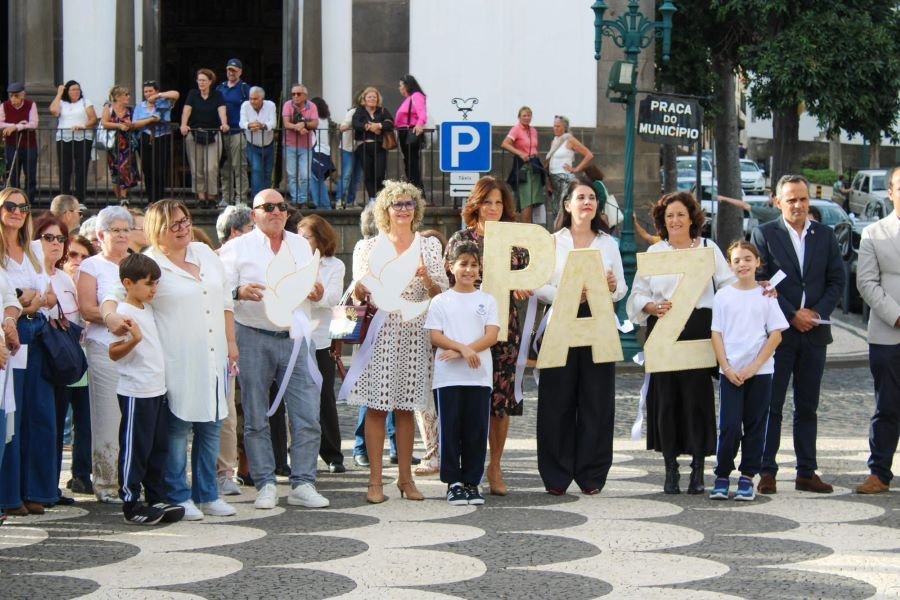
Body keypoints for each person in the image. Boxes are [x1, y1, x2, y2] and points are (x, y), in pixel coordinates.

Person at [102, 199, 238, 521]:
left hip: (214, 354)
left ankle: (208, 493)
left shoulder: (204, 253)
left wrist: (231, 342)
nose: (183, 228)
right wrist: (111, 318)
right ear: (157, 229)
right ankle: (179, 494)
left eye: (185, 220)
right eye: (174, 224)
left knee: (212, 424)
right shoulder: (149, 262)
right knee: (177, 428)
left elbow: (225, 300)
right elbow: (114, 295)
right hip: (176, 358)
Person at [220, 189, 330, 511]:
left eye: (282, 206)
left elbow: (316, 288)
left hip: (296, 335)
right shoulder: (236, 248)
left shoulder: (300, 244)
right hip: (253, 334)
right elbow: (220, 290)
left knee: (307, 413)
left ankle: (304, 482)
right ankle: (265, 483)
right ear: (254, 214)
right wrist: (239, 291)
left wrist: (317, 291)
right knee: (255, 414)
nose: (277, 212)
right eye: (268, 207)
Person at [627, 191, 736, 495]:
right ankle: (670, 469)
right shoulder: (655, 252)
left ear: (692, 219)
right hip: (663, 332)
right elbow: (637, 295)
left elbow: (729, 286)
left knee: (696, 401)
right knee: (667, 402)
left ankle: (698, 469)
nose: (675, 220)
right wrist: (651, 307)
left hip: (698, 332)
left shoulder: (708, 248)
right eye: (669, 216)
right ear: (662, 221)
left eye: (680, 215)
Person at [348, 180, 448, 503]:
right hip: (380, 333)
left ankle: (406, 479)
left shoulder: (429, 246)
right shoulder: (367, 247)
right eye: (397, 204)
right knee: (377, 407)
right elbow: (356, 294)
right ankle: (375, 482)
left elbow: (441, 295)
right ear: (385, 210)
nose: (404, 209)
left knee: (407, 407)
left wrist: (427, 279)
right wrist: (362, 287)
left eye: (409, 203)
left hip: (415, 332)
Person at [751, 174, 844, 495]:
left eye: (803, 199)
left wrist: (816, 313)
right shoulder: (765, 234)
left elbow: (837, 280)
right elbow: (762, 280)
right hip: (780, 335)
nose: (798, 205)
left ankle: (806, 471)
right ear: (778, 202)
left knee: (807, 407)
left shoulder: (825, 235)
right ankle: (767, 471)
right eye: (791, 199)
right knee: (771, 405)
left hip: (815, 334)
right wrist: (793, 314)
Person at [534, 180, 626, 495]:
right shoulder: (552, 242)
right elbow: (539, 285)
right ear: (567, 204)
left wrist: (611, 287)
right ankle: (556, 475)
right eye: (581, 197)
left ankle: (592, 474)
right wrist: (570, 293)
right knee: (556, 399)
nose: (587, 202)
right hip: (561, 318)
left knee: (597, 400)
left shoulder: (608, 244)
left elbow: (621, 288)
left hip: (598, 322)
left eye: (592, 198)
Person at [445, 176, 529, 495]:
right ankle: (465, 468)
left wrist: (522, 287)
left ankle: (495, 466)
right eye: (487, 202)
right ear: (476, 205)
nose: (493, 208)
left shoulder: (516, 243)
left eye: (498, 203)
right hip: (465, 329)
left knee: (500, 401)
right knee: (465, 397)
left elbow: (527, 278)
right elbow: (449, 283)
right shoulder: (460, 239)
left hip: (504, 328)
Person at [108, 253, 185, 525]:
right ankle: (131, 502)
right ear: (128, 283)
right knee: (135, 447)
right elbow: (113, 352)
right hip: (136, 390)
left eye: (156, 283)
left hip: (156, 389)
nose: (154, 289)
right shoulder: (124, 313)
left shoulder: (147, 308)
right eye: (148, 283)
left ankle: (155, 496)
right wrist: (134, 340)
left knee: (157, 446)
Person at [709, 241, 788, 501]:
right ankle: (722, 474)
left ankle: (747, 476)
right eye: (736, 260)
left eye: (747, 259)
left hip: (760, 373)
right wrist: (726, 367)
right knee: (730, 425)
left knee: (756, 425)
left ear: (757, 262)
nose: (742, 264)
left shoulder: (766, 295)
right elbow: (716, 333)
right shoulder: (723, 296)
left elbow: (775, 334)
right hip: (731, 372)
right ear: (730, 266)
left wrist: (755, 367)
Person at [426, 241, 500, 505]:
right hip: (448, 377)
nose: (469, 270)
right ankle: (453, 482)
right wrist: (462, 349)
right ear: (451, 267)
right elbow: (435, 336)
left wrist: (464, 352)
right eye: (463, 264)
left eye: (474, 265)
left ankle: (471, 481)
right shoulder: (440, 301)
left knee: (476, 431)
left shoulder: (487, 300)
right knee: (450, 429)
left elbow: (491, 335)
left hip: (478, 377)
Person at [0, 188, 57, 516]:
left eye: (23, 207)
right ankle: (10, 494)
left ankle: (35, 490)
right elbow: (11, 298)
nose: (17, 212)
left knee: (40, 413)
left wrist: (34, 300)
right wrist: (25, 302)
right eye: (10, 206)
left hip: (38, 334)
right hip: (12, 335)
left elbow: (47, 295)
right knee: (13, 414)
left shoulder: (33, 250)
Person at [77, 206, 133, 503]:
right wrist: (116, 318)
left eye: (126, 230)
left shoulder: (137, 263)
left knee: (136, 416)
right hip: (104, 346)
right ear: (100, 235)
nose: (122, 235)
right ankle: (106, 482)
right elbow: (87, 309)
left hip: (137, 347)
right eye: (115, 230)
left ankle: (132, 477)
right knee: (108, 416)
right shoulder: (92, 266)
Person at [854, 165, 900, 495]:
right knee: (887, 406)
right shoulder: (874, 233)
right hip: (888, 333)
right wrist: (897, 316)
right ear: (891, 192)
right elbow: (866, 282)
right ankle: (879, 472)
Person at [32, 214, 84, 506]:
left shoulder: (64, 278)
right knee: (40, 423)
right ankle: (37, 487)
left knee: (56, 421)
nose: (55, 243)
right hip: (38, 355)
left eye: (60, 238)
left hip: (62, 357)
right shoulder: (32, 273)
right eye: (48, 237)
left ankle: (51, 485)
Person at [298, 214, 345, 473]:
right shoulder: (292, 262)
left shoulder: (334, 265)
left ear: (319, 238)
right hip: (294, 336)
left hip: (320, 338)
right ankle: (296, 453)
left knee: (324, 395)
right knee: (295, 397)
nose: (301, 241)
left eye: (306, 237)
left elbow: (334, 298)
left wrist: (318, 296)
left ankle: (332, 454)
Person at [60, 233, 95, 496]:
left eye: (84, 256)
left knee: (85, 419)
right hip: (59, 360)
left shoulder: (92, 285)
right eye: (73, 254)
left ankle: (82, 474)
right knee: (58, 418)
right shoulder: (55, 283)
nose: (78, 260)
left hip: (86, 358)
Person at [180, 68, 228, 205]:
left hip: (213, 134)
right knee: (197, 168)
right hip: (195, 133)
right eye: (199, 80)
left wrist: (224, 123)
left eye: (203, 80)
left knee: (211, 168)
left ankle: (211, 197)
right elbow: (186, 110)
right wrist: (184, 125)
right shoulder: (193, 94)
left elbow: (222, 111)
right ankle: (201, 198)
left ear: (210, 82)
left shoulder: (217, 95)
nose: (200, 83)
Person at [50, 80, 97, 204]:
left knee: (81, 170)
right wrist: (59, 93)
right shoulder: (61, 103)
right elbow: (54, 111)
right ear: (67, 91)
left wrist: (83, 126)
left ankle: (80, 200)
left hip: (83, 139)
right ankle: (64, 200)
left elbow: (93, 119)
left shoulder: (86, 102)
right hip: (64, 138)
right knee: (65, 170)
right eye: (73, 89)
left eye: (78, 89)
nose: (76, 92)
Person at [133, 81, 179, 203]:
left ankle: (160, 200)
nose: (148, 94)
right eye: (146, 91)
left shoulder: (164, 102)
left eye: (150, 91)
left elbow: (176, 94)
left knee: (160, 170)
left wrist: (158, 96)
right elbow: (135, 124)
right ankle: (151, 200)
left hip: (162, 137)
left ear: (156, 91)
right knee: (147, 170)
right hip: (145, 137)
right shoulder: (140, 106)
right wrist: (151, 120)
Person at [545, 116, 594, 229]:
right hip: (554, 179)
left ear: (564, 127)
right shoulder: (555, 140)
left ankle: (564, 232)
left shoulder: (569, 139)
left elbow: (589, 155)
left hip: (565, 179)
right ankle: (558, 233)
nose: (556, 128)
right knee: (555, 210)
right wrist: (548, 182)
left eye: (558, 126)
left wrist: (576, 169)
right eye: (554, 126)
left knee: (563, 209)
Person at [102, 85, 146, 203]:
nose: (128, 97)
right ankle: (119, 199)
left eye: (128, 94)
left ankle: (124, 198)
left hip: (127, 145)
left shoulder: (131, 110)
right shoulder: (109, 108)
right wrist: (119, 125)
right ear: (117, 97)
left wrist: (130, 125)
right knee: (115, 173)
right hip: (113, 145)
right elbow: (104, 123)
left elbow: (135, 124)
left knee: (125, 170)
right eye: (126, 95)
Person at [501, 106, 544, 224]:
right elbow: (505, 144)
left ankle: (528, 226)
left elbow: (534, 148)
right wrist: (520, 153)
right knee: (526, 200)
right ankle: (525, 227)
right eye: (524, 115)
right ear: (519, 117)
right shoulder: (516, 129)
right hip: (524, 166)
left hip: (535, 165)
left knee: (534, 200)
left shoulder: (533, 131)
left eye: (529, 115)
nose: (527, 118)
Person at [216, 59, 251, 207]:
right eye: (229, 70)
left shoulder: (245, 88)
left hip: (237, 132)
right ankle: (226, 198)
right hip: (221, 133)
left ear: (240, 72)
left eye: (234, 70)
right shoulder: (220, 88)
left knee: (239, 167)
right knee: (225, 168)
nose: (231, 72)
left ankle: (241, 200)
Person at [353, 87, 394, 203]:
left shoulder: (383, 111)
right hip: (364, 147)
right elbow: (356, 124)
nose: (372, 99)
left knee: (380, 174)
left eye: (374, 97)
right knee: (368, 174)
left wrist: (379, 126)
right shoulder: (359, 111)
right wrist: (369, 127)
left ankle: (380, 198)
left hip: (380, 147)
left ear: (378, 99)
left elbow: (390, 123)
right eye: (369, 97)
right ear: (364, 99)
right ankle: (372, 199)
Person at [282, 84, 319, 208]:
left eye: (298, 94)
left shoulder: (312, 106)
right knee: (292, 174)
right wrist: (298, 127)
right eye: (293, 94)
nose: (295, 96)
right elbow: (286, 123)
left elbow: (315, 123)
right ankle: (296, 199)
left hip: (306, 146)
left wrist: (304, 124)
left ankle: (303, 199)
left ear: (305, 96)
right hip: (289, 144)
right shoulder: (287, 105)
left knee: (305, 175)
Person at [1, 83, 39, 201]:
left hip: (29, 145)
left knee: (30, 175)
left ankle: (28, 202)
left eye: (16, 96)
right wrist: (16, 125)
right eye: (11, 96)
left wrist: (17, 127)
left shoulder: (31, 105)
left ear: (23, 95)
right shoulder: (4, 106)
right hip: (11, 145)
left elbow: (34, 124)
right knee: (13, 174)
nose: (13, 99)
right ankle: (15, 201)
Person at [240, 86, 277, 200]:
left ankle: (267, 198)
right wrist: (250, 125)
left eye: (255, 99)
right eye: (250, 98)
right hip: (252, 145)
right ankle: (257, 199)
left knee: (267, 172)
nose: (252, 101)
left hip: (269, 145)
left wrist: (262, 126)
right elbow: (242, 123)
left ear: (262, 98)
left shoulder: (270, 105)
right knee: (257, 170)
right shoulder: (245, 105)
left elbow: (273, 123)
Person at [395, 75, 427, 192]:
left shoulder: (416, 96)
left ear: (407, 85)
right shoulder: (409, 98)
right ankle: (414, 189)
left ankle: (417, 190)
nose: (399, 88)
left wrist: (419, 124)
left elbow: (422, 113)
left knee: (412, 163)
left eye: (401, 85)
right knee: (409, 163)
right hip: (404, 132)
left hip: (410, 132)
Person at [337, 91, 364, 208]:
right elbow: (345, 124)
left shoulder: (368, 113)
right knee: (346, 175)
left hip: (361, 147)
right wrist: (346, 126)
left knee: (357, 176)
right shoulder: (353, 112)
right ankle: (339, 200)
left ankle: (351, 200)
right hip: (348, 147)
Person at [309, 96, 333, 209]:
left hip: (316, 151)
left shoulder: (315, 120)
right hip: (325, 152)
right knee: (320, 180)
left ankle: (321, 204)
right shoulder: (325, 119)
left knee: (315, 180)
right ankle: (325, 204)